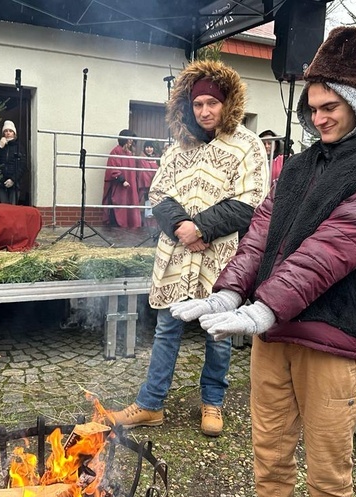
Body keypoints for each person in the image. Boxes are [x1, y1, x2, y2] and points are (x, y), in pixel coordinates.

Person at [170, 26, 356, 497]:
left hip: (330, 337)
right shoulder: (298, 164)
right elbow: (261, 232)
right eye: (313, 107)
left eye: (330, 106)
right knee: (269, 458)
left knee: (328, 475)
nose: (318, 117)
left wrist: (264, 307)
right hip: (274, 333)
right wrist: (228, 293)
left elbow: (333, 249)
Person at [109, 60, 270, 436]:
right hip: (177, 254)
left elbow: (250, 202)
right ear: (188, 105)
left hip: (220, 255)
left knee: (219, 332)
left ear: (227, 102)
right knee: (167, 328)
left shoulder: (246, 146)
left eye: (212, 103)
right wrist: (183, 227)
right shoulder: (179, 147)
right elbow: (158, 193)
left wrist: (201, 227)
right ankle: (151, 404)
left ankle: (212, 402)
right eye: (197, 104)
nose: (205, 111)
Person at [102, 129, 141, 228]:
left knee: (130, 204)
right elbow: (113, 167)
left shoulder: (129, 153)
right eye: (129, 139)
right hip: (119, 186)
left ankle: (129, 226)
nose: (131, 142)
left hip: (130, 185)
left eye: (132, 140)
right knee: (118, 206)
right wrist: (122, 180)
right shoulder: (116, 151)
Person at [0, 120, 23, 205]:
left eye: (10, 131)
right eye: (6, 131)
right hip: (1, 182)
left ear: (14, 133)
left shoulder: (18, 147)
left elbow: (22, 165)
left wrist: (13, 179)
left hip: (14, 183)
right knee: (3, 206)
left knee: (13, 207)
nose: (8, 133)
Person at [137, 141, 159, 226]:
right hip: (144, 186)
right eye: (147, 147)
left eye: (151, 147)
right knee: (144, 204)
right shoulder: (141, 158)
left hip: (154, 186)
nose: (149, 149)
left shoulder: (158, 158)